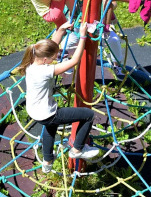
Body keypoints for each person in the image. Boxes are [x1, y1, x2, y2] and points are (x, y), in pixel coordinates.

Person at [16, 23, 100, 173]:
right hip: (48, 113)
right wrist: (82, 37)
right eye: (54, 57)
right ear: (45, 60)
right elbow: (74, 61)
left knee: (50, 128)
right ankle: (77, 149)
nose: (56, 58)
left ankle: (47, 160)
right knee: (88, 115)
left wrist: (61, 29)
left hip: (34, 111)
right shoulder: (44, 71)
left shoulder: (32, 61)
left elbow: (50, 47)